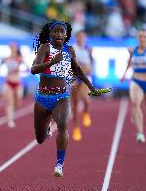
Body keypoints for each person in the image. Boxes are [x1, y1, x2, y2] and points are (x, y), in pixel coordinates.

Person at [31, 21, 102, 177]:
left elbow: (78, 71)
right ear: (50, 34)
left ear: (65, 35)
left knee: (63, 125)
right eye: (55, 32)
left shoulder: (70, 51)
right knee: (40, 139)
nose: (58, 34)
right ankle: (47, 125)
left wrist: (92, 88)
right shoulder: (45, 48)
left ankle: (59, 165)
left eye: (61, 32)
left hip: (61, 96)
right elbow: (33, 69)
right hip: (43, 97)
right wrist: (51, 62)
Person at [70, 30, 93, 141]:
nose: (81, 39)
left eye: (83, 37)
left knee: (86, 99)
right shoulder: (72, 49)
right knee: (74, 105)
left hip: (84, 77)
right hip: (74, 77)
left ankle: (86, 112)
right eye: (79, 37)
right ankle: (76, 128)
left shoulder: (87, 50)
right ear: (76, 38)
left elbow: (90, 67)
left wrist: (89, 68)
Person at [0, 42, 24, 128]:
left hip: (17, 82)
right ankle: (10, 120)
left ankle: (17, 103)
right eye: (11, 47)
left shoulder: (19, 58)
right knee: (9, 102)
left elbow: (27, 68)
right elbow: (1, 67)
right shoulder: (6, 58)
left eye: (14, 47)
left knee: (18, 102)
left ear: (17, 48)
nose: (13, 48)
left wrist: (19, 69)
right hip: (8, 82)